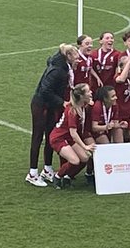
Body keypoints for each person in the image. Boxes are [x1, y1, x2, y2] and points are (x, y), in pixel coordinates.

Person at [27, 43, 80, 186]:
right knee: (38, 137)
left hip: (50, 105)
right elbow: (45, 90)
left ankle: (47, 169)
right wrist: (61, 102)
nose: (78, 59)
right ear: (68, 56)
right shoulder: (57, 71)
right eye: (75, 56)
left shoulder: (62, 66)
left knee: (50, 136)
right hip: (41, 105)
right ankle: (32, 173)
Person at [48, 84, 96, 189]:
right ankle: (57, 176)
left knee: (85, 158)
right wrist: (85, 146)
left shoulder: (82, 105)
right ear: (81, 96)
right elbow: (73, 133)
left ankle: (68, 177)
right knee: (75, 160)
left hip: (67, 137)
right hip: (59, 138)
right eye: (88, 91)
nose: (91, 92)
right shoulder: (72, 112)